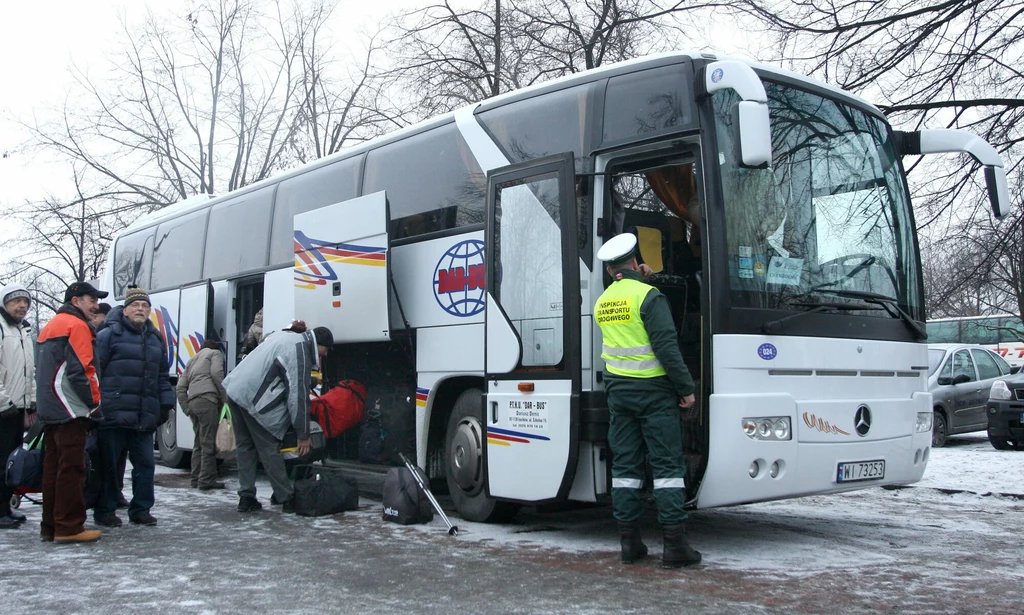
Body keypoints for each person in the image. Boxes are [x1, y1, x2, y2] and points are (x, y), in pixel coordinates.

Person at [594, 233, 702, 568]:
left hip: (619, 394)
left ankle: (629, 543)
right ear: (635, 260)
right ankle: (674, 547)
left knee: (625, 468)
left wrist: (636, 278)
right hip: (654, 393)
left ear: (612, 269)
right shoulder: (649, 297)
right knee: (668, 467)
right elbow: (667, 348)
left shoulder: (604, 300)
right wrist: (686, 389)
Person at [223, 321, 332, 513]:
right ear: (319, 344)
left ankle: (246, 498)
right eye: (326, 349)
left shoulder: (286, 337)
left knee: (245, 448)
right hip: (252, 399)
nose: (326, 354)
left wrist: (311, 379)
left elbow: (280, 370)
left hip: (235, 390)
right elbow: (297, 395)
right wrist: (303, 434)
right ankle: (286, 498)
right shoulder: (300, 350)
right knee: (269, 449)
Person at [93, 287, 173, 528]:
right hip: (113, 413)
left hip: (143, 415)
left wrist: (165, 403)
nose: (140, 309)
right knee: (109, 466)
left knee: (146, 465)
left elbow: (162, 374)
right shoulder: (108, 335)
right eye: (136, 306)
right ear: (125, 310)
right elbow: (96, 372)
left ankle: (141, 509)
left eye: (145, 306)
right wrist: (98, 406)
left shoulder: (155, 337)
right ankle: (105, 510)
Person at [35, 281, 108, 544]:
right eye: (92, 299)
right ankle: (69, 527)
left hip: (51, 408)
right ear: (76, 301)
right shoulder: (76, 326)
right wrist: (95, 404)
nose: (96, 305)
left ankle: (50, 526)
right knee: (73, 468)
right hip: (70, 408)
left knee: (53, 468)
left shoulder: (51, 325)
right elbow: (83, 370)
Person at [1, 283, 36, 529]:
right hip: (4, 408)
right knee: (1, 460)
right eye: (16, 301)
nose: (21, 306)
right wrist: (5, 402)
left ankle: (5, 507)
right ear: (5, 303)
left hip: (16, 408)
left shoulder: (24, 331)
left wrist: (30, 401)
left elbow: (29, 372)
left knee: (10, 461)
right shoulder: (2, 329)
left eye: (25, 302)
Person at [176, 337, 228, 490]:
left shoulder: (192, 360)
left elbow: (180, 388)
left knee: (198, 443)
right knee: (208, 443)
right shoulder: (215, 354)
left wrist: (187, 409)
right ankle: (206, 480)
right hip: (208, 401)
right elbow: (216, 374)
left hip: (194, 403)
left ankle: (195, 478)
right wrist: (225, 398)